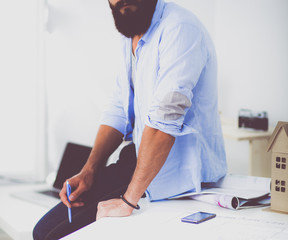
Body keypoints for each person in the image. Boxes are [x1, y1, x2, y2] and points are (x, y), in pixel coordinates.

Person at [33, 0, 227, 239]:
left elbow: (164, 121)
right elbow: (119, 109)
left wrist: (128, 201)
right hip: (138, 160)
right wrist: (90, 169)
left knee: (54, 235)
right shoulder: (132, 33)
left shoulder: (180, 28)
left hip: (181, 174)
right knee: (44, 231)